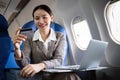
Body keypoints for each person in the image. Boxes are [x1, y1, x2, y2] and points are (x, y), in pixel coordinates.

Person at [12, 4, 81, 80]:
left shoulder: (60, 36)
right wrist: (17, 49)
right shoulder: (30, 38)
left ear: (51, 18)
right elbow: (24, 65)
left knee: (72, 76)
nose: (41, 21)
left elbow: (59, 60)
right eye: (37, 18)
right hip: (38, 76)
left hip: (56, 75)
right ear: (34, 21)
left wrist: (41, 65)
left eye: (44, 17)